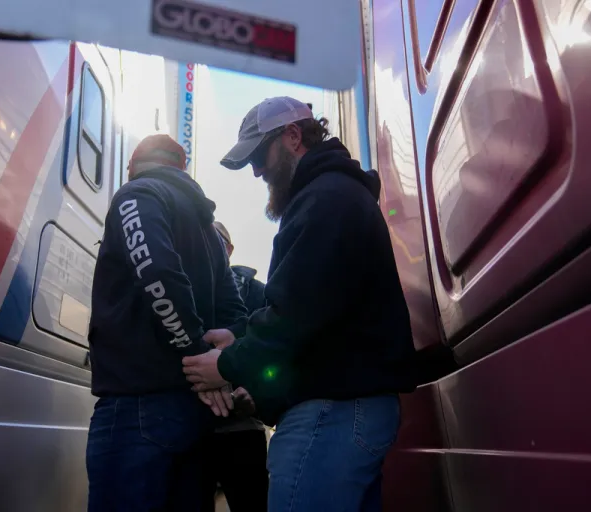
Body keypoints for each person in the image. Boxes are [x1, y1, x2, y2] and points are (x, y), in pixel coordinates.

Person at [182, 97, 416, 511]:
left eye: (259, 155)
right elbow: (319, 305)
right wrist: (238, 336)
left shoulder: (325, 198)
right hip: (348, 409)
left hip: (332, 412)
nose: (256, 171)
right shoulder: (335, 194)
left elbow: (295, 315)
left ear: (292, 136)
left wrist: (224, 365)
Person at [86, 134, 248, 512]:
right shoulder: (208, 231)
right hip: (195, 415)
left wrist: (194, 356)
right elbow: (236, 315)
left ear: (133, 166)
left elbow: (156, 271)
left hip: (137, 408)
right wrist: (213, 368)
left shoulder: (137, 195)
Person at [198, 221, 269, 512]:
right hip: (192, 430)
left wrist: (255, 392)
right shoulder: (182, 286)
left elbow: (271, 352)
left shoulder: (258, 293)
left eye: (216, 238)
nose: (207, 243)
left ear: (228, 248)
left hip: (242, 428)